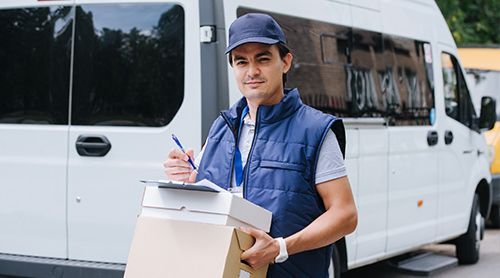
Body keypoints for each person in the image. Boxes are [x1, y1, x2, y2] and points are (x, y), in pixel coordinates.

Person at [163, 13, 357, 277]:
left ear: (285, 61)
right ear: (233, 67)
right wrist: (188, 175)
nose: (252, 71)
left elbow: (345, 215)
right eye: (241, 61)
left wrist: (280, 248)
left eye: (263, 59)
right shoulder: (222, 127)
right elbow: (219, 193)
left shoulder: (315, 130)